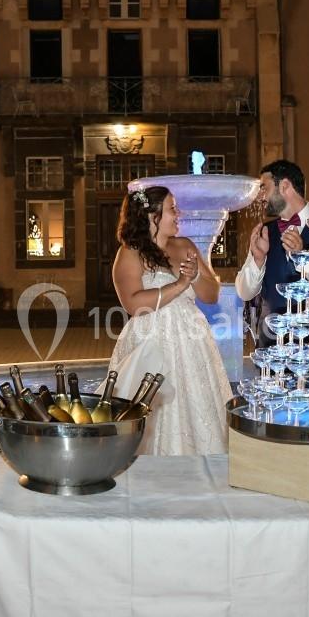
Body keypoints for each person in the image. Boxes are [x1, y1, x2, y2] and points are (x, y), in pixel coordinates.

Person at [108, 186, 230, 456]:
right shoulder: (130, 253)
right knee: (154, 407)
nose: (178, 214)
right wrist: (180, 284)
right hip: (150, 341)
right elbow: (133, 302)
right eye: (172, 208)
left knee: (197, 405)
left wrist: (196, 276)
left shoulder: (185, 246)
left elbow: (211, 296)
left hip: (191, 341)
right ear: (153, 215)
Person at [234, 159, 309, 347]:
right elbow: (244, 292)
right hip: (272, 348)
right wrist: (258, 259)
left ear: (285, 186)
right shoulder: (264, 232)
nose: (261, 197)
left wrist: (304, 257)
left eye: (264, 188)